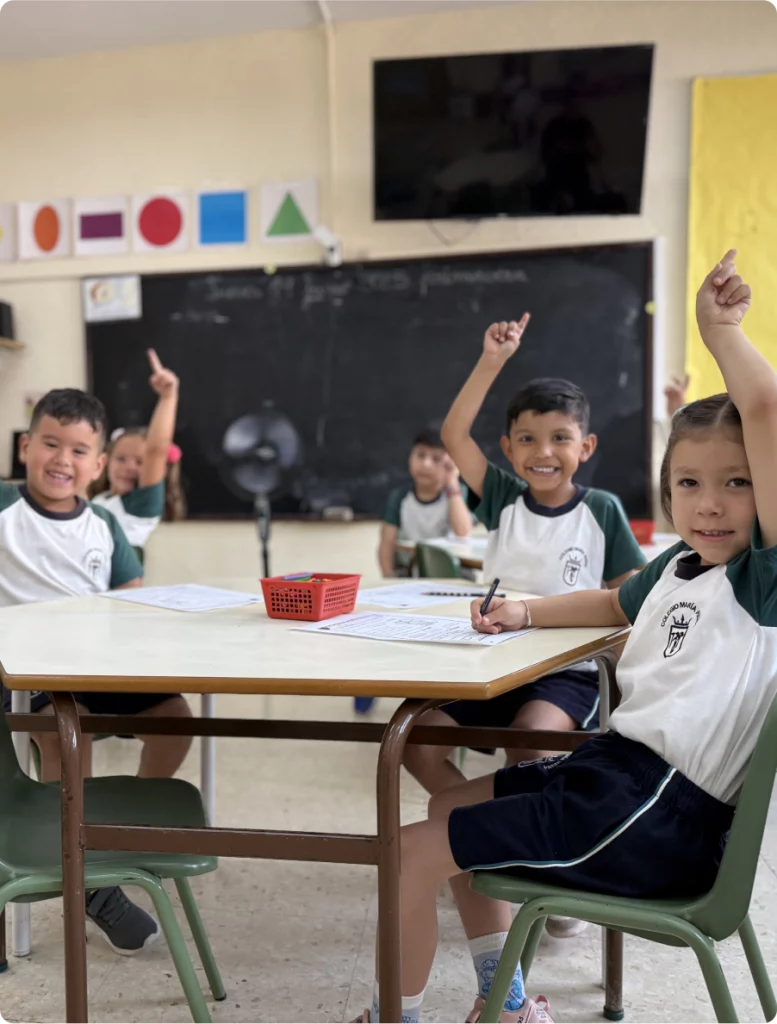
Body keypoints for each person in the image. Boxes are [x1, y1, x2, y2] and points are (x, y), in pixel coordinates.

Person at [351, 249, 770, 1024]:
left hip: (655, 811)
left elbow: (768, 411)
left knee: (410, 853)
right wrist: (523, 613)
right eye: (688, 483)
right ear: (665, 487)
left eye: (736, 482)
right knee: (438, 830)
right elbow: (607, 604)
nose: (708, 504)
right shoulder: (677, 567)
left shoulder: (761, 580)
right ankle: (503, 1003)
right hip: (612, 776)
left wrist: (720, 335)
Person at [404, 319, 644, 938]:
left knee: (532, 743)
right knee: (415, 739)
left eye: (560, 438)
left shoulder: (603, 511)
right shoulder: (503, 497)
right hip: (490, 662)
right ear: (508, 449)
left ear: (585, 447)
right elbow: (455, 433)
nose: (544, 452)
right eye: (528, 439)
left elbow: (628, 592)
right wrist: (491, 360)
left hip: (563, 671)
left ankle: (548, 863)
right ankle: (484, 838)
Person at [0, 388, 192, 956]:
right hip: (29, 677)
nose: (63, 460)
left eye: (79, 450)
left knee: (175, 717)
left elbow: (128, 604)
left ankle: (121, 834)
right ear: (26, 446)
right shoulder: (4, 509)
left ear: (99, 465)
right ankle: (93, 877)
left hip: (97, 665)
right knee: (68, 734)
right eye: (50, 444)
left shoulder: (104, 525)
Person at [90, 349, 186, 556]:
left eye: (140, 462)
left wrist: (168, 397)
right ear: (105, 461)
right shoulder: (101, 499)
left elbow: (156, 450)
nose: (130, 467)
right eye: (121, 459)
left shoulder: (141, 506)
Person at [378, 427, 473, 578]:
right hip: (409, 575)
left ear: (451, 464)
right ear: (410, 458)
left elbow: (462, 532)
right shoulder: (400, 497)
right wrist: (389, 577)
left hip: (454, 576)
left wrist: (452, 483)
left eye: (436, 459)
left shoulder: (459, 494)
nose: (426, 464)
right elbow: (387, 544)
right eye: (420, 456)